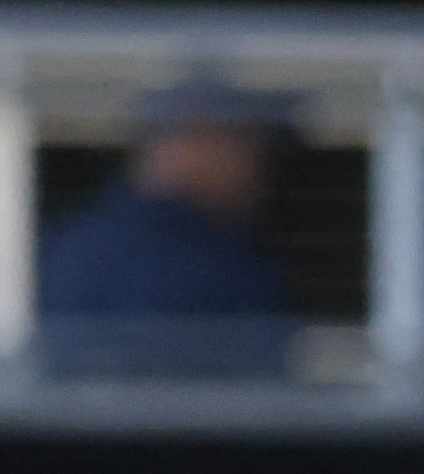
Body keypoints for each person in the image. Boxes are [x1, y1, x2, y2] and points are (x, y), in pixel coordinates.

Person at [33, 76, 298, 378]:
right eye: (243, 141)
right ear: (194, 138)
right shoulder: (213, 266)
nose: (257, 167)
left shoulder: (68, 243)